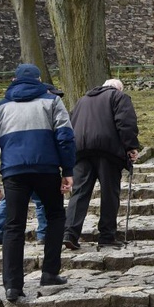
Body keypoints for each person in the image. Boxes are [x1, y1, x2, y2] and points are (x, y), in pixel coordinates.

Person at [0, 64, 75, 302]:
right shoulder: (52, 102)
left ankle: (12, 285)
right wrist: (68, 170)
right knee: (55, 217)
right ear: (39, 80)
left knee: (13, 226)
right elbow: (65, 137)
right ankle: (50, 273)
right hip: (46, 169)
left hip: (13, 173)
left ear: (14, 79)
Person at [0, 82, 66, 247]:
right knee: (41, 201)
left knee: (11, 202)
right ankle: (44, 233)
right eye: (53, 94)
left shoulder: (16, 110)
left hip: (17, 166)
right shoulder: (43, 111)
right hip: (40, 165)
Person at [63, 79, 140, 250]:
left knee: (80, 193)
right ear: (118, 88)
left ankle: (70, 233)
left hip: (81, 151)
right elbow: (125, 123)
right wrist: (131, 147)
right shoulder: (119, 97)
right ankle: (107, 235)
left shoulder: (82, 100)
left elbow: (71, 121)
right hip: (108, 151)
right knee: (109, 193)